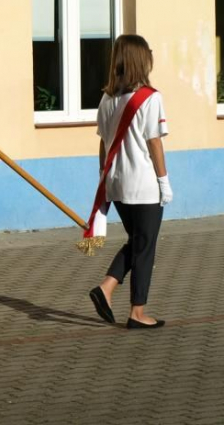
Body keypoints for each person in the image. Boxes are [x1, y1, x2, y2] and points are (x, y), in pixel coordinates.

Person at [88, 35, 172, 329]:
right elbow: (154, 143)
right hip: (143, 184)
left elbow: (103, 144)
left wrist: (104, 177)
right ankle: (137, 312)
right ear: (141, 59)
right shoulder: (150, 97)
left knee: (137, 241)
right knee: (145, 246)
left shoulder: (107, 98)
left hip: (116, 184)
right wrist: (164, 181)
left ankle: (107, 288)